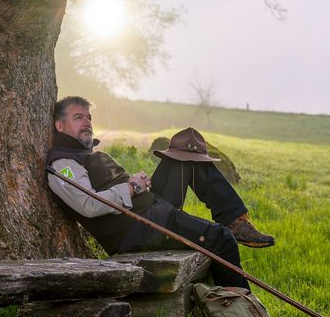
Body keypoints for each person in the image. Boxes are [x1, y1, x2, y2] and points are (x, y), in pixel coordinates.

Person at [46, 96, 275, 291]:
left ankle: (236, 221)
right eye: (78, 118)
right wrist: (132, 187)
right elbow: (89, 205)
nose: (87, 123)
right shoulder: (63, 165)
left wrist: (139, 184)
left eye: (89, 118)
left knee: (187, 150)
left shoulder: (82, 155)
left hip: (150, 210)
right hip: (138, 229)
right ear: (59, 126)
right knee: (221, 240)